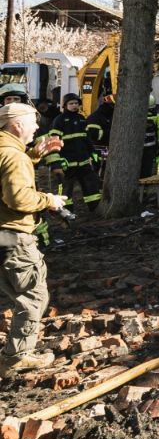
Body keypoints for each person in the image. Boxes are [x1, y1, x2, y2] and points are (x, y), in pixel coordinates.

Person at [0, 102, 67, 376]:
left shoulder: (9, 151)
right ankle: (16, 357)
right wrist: (48, 200)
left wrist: (33, 156)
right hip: (11, 234)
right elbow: (17, 197)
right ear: (17, 125)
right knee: (33, 296)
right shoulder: (14, 156)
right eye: (33, 122)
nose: (38, 127)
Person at [45, 95, 102, 211]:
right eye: (71, 103)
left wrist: (93, 152)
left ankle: (95, 210)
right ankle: (67, 212)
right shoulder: (59, 120)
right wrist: (57, 162)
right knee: (66, 190)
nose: (74, 106)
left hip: (84, 162)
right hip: (67, 163)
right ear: (65, 105)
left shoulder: (81, 118)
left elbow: (87, 138)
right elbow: (54, 141)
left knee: (91, 187)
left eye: (76, 103)